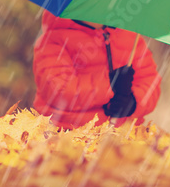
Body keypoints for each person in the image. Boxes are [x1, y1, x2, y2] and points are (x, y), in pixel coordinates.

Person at [32, 11, 160, 129]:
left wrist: (132, 102)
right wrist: (110, 85)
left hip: (122, 135)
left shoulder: (130, 38)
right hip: (66, 133)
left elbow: (150, 82)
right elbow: (60, 91)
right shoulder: (53, 42)